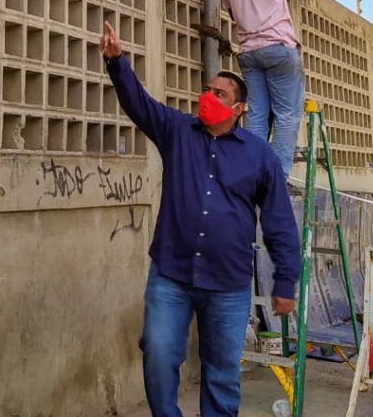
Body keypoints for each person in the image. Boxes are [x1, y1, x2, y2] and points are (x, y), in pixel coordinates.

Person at [99, 21, 301, 417]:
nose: (207, 96)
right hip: (171, 276)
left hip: (227, 284)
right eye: (207, 89)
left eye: (219, 93)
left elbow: (278, 220)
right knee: (157, 354)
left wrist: (285, 281)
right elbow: (139, 103)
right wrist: (117, 62)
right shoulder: (177, 130)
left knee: (221, 374)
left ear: (238, 108)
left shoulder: (258, 155)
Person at [219, 0, 311, 179]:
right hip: (278, 50)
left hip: (249, 52)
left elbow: (232, 13)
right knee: (286, 115)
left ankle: (254, 172)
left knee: (258, 115)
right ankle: (277, 178)